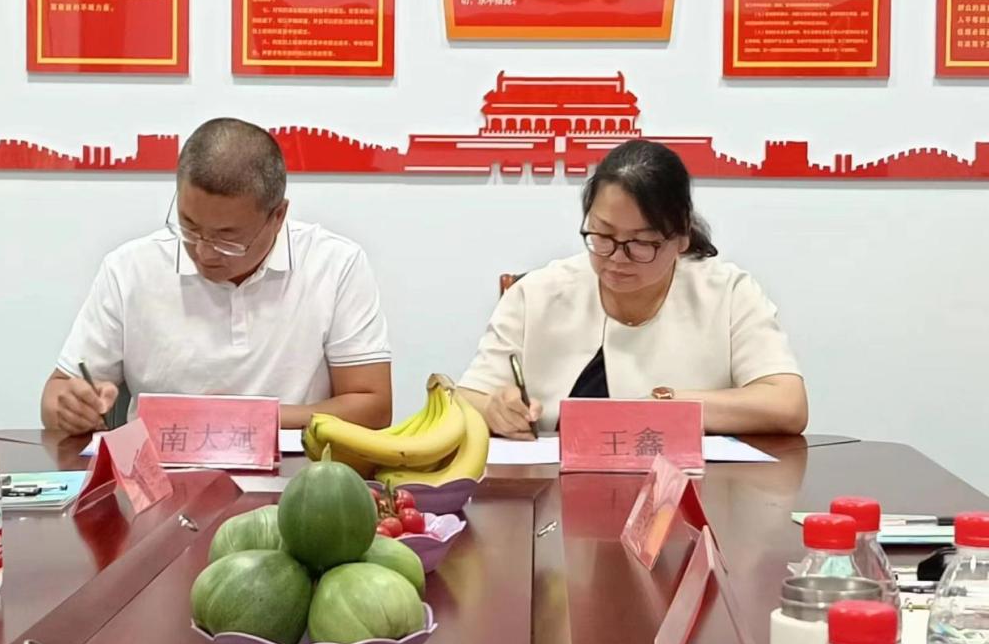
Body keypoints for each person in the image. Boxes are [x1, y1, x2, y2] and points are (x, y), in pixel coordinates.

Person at [40, 118, 392, 435]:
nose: (204, 252)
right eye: (189, 227)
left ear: (278, 216)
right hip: (161, 474)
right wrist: (68, 407)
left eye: (228, 239)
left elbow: (373, 406)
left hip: (298, 474)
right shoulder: (129, 269)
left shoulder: (335, 264)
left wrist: (234, 420)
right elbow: (57, 392)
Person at [459, 140, 807, 440]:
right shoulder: (537, 293)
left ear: (681, 237)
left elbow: (787, 405)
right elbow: (464, 399)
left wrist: (668, 404)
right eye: (603, 235)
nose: (617, 258)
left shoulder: (727, 293)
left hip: (694, 488)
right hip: (554, 487)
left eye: (641, 243)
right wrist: (492, 408)